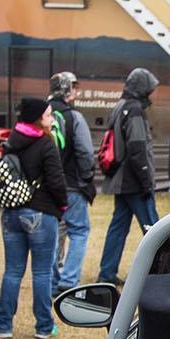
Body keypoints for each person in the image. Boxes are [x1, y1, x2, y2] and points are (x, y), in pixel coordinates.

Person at [0, 97, 68, 339]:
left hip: (11, 212)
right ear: (37, 119)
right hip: (41, 212)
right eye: (48, 115)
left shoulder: (11, 142)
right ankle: (44, 326)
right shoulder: (46, 144)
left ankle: (3, 325)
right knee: (42, 272)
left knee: (12, 271)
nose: (52, 119)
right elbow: (56, 181)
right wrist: (62, 205)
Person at [97, 68, 159, 286]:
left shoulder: (120, 106)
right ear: (143, 88)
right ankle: (163, 274)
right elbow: (137, 147)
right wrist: (146, 181)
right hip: (134, 181)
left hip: (120, 180)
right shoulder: (135, 110)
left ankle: (107, 273)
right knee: (155, 230)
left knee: (118, 227)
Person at [47, 72, 97, 292]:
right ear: (66, 89)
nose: (76, 91)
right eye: (74, 87)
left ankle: (52, 281)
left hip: (47, 186)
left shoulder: (41, 115)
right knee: (79, 231)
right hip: (71, 185)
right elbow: (85, 152)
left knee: (52, 232)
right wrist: (86, 177)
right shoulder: (74, 117)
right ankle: (68, 282)